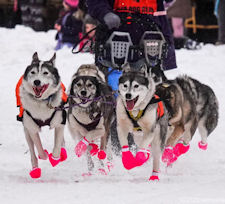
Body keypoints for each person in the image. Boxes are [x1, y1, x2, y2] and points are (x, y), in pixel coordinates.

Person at [86, 0, 177, 71]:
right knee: (111, 88)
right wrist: (105, 13)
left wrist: (168, 56)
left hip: (150, 47)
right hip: (114, 46)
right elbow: (95, 2)